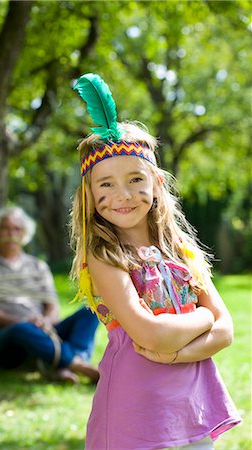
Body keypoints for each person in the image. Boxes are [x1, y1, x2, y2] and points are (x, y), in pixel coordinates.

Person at [70, 73, 241, 449]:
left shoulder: (180, 247)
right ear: (88, 195)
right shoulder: (104, 257)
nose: (123, 195)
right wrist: (202, 320)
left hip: (193, 405)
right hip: (137, 412)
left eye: (135, 179)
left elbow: (225, 329)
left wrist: (177, 351)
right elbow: (149, 334)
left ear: (156, 184)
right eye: (106, 184)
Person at [0, 205, 99, 384]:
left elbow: (52, 307)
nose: (10, 233)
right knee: (22, 328)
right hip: (5, 340)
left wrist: (44, 322)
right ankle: (80, 365)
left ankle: (65, 365)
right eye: (5, 228)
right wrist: (25, 323)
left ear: (25, 234)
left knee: (91, 310)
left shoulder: (38, 266)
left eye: (17, 229)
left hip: (42, 331)